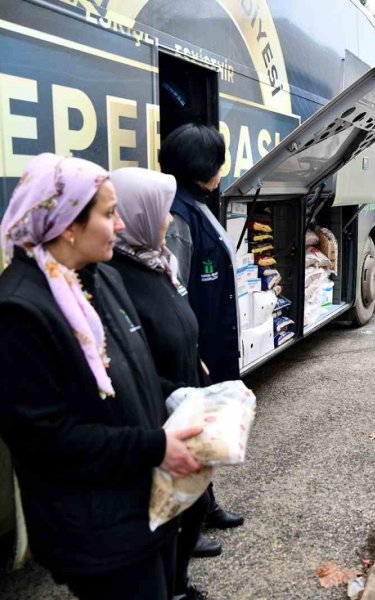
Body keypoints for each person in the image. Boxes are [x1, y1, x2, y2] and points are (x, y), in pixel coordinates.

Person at [0, 154, 201, 600]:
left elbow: (131, 377)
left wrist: (190, 400)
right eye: (109, 213)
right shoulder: (16, 314)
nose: (119, 226)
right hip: (96, 531)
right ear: (67, 225)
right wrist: (157, 446)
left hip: (142, 506)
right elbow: (47, 440)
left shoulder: (101, 280)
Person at [108, 167, 211, 600]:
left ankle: (177, 583)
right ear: (141, 214)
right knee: (176, 511)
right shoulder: (119, 274)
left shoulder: (156, 259)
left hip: (181, 394)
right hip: (158, 414)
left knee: (195, 504)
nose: (169, 219)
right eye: (162, 210)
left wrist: (196, 356)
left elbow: (175, 316)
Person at [161, 123, 244, 555]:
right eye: (218, 159)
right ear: (204, 166)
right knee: (193, 432)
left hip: (210, 340)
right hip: (198, 348)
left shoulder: (194, 203)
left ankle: (206, 504)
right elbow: (176, 291)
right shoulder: (178, 216)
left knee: (207, 430)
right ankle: (188, 526)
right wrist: (193, 353)